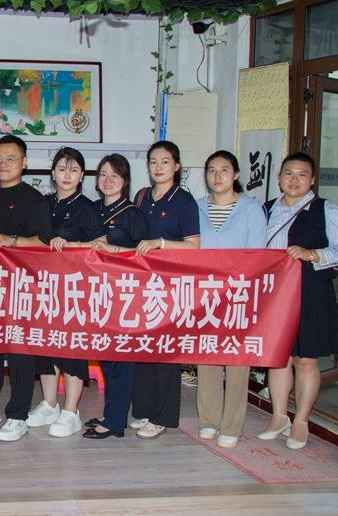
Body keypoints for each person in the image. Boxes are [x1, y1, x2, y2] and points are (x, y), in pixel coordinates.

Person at [259, 152, 338, 450]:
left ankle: (301, 420)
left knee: (305, 359)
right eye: (288, 173)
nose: (294, 180)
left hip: (310, 293)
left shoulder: (327, 210)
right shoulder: (266, 210)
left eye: (302, 174)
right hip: (274, 294)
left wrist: (312, 254)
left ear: (312, 180)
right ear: (279, 178)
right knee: (278, 357)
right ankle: (279, 417)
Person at [0, 135, 55, 442]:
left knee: (20, 351)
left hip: (24, 286)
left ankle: (18, 415)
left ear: (24, 163)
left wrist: (12, 241)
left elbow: (45, 243)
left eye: (10, 158)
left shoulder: (34, 200)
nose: (3, 163)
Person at [191, 150, 268, 448]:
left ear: (235, 174)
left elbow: (258, 254)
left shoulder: (251, 209)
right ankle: (208, 420)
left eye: (224, 170)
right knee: (208, 357)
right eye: (211, 170)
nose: (217, 176)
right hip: (204, 294)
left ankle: (232, 426)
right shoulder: (196, 207)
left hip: (239, 294)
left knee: (237, 361)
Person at [74, 154, 150, 439]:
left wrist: (116, 251)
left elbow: (145, 256)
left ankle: (116, 422)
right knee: (106, 357)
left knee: (121, 359)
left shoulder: (132, 214)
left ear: (125, 180)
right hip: (95, 292)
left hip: (123, 294)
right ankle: (111, 413)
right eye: (103, 174)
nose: (108, 180)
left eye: (114, 175)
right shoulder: (92, 209)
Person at [131, 140, 200, 439]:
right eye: (153, 162)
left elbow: (194, 246)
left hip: (171, 284)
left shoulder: (184, 201)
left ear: (177, 166)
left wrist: (160, 243)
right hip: (141, 283)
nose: (158, 167)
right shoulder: (142, 197)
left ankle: (162, 416)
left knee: (165, 352)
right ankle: (145, 409)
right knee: (144, 348)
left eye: (165, 162)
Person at [36, 148, 99, 438]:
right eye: (62, 169)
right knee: (45, 346)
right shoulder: (43, 203)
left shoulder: (87, 208)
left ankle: (71, 411)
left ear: (82, 175)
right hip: (41, 286)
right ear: (53, 173)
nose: (67, 175)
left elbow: (100, 244)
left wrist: (73, 246)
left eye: (73, 170)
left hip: (74, 288)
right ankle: (49, 404)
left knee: (71, 348)